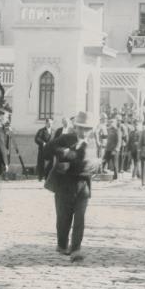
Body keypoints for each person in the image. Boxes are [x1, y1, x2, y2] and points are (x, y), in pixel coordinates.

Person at [44, 111, 101, 262]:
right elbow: (47, 149)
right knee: (64, 218)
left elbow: (95, 161)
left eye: (87, 129)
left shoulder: (93, 141)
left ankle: (76, 249)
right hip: (65, 185)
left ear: (91, 129)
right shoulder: (66, 138)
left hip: (83, 185)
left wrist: (95, 165)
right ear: (75, 127)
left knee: (80, 218)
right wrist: (65, 152)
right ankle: (62, 245)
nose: (84, 132)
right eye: (81, 128)